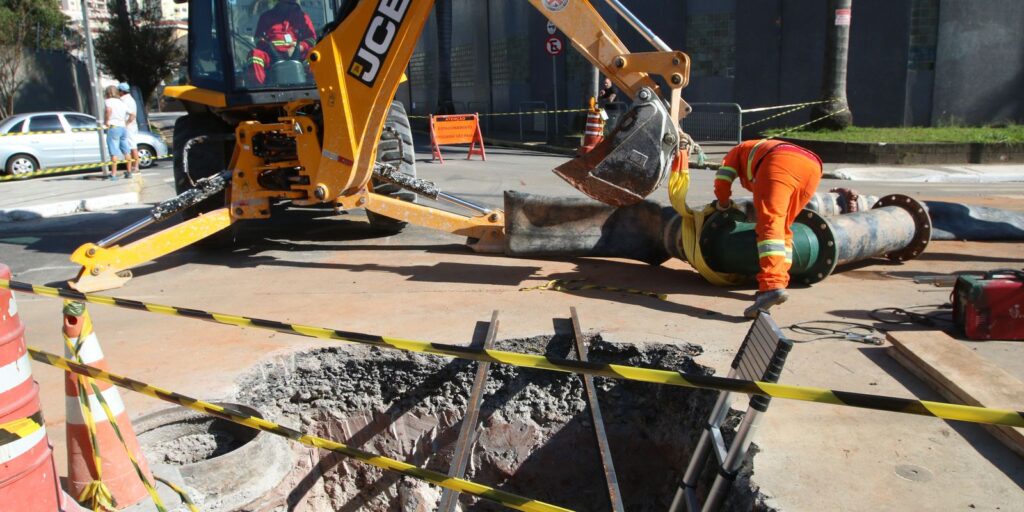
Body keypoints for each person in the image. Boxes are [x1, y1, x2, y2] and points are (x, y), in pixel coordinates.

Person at [713, 139, 823, 318]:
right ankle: (780, 280)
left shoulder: (737, 151)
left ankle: (772, 287)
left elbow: (723, 179)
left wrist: (723, 204)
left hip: (778, 161)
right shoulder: (755, 148)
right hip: (812, 167)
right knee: (783, 228)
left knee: (769, 226)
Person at [247, 0, 317, 85]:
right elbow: (258, 38)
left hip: (298, 55)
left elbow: (312, 39)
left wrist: (299, 47)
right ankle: (260, 91)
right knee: (255, 55)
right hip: (271, 56)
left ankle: (316, 88)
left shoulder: (303, 17)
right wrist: (270, 49)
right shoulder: (266, 16)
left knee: (315, 56)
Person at [103, 85, 133, 180]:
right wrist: (127, 123)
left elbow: (108, 110)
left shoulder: (108, 101)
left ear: (107, 93)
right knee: (126, 151)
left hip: (113, 127)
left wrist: (106, 121)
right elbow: (133, 114)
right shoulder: (121, 102)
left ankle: (113, 174)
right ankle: (129, 172)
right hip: (123, 127)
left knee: (114, 152)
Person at [118, 82, 140, 176]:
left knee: (132, 146)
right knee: (132, 146)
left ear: (121, 91)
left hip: (129, 126)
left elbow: (132, 115)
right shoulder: (131, 99)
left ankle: (135, 166)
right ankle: (134, 166)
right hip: (133, 125)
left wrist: (126, 124)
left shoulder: (124, 100)